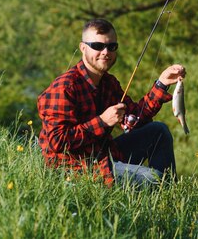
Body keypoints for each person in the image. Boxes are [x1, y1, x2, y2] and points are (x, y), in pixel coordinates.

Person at [37, 18, 186, 186]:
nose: (106, 52)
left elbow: (135, 118)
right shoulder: (64, 87)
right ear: (83, 48)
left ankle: (166, 191)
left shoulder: (109, 83)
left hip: (104, 155)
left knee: (158, 131)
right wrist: (102, 121)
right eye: (98, 46)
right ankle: (162, 189)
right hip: (72, 168)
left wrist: (162, 83)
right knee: (155, 179)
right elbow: (58, 142)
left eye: (112, 46)